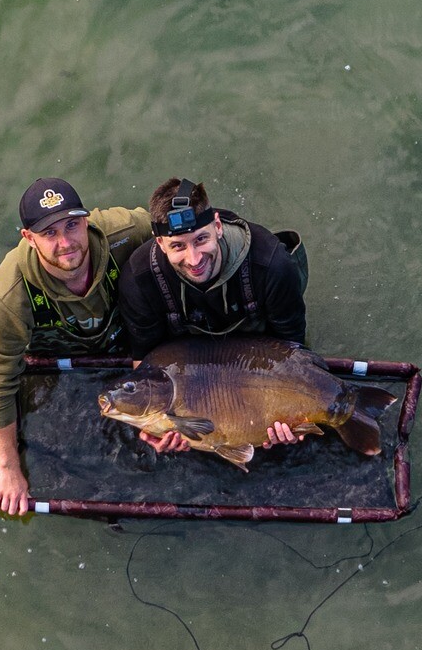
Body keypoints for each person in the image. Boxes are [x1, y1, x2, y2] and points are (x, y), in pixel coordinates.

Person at [0, 178, 151, 514]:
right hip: (56, 354)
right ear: (28, 238)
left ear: (86, 220)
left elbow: (183, 229)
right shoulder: (10, 294)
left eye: (72, 225)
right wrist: (9, 467)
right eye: (49, 233)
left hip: (125, 337)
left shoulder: (126, 231)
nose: (65, 242)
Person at [115, 176, 309, 454]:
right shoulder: (138, 279)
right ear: (159, 243)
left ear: (217, 226)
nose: (194, 259)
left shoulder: (272, 265)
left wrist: (290, 417)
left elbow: (293, 350)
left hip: (262, 365)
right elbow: (145, 360)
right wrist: (151, 426)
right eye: (178, 246)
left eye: (201, 239)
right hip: (191, 373)